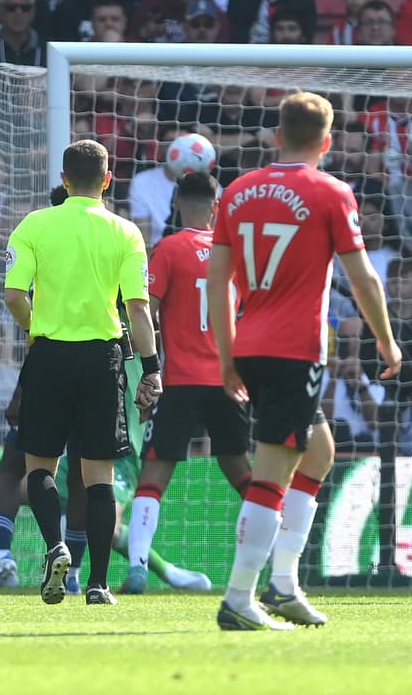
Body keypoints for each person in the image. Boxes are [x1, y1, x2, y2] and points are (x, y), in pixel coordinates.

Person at [208, 92, 401, 630]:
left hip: (250, 344)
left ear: (277, 136)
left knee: (318, 454)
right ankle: (238, 598)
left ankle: (284, 584)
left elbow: (217, 283)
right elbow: (362, 278)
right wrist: (386, 341)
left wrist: (226, 356)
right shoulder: (331, 192)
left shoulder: (238, 190)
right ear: (327, 141)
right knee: (273, 472)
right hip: (294, 351)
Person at [3, 139, 160, 606]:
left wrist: (34, 328)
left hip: (49, 355)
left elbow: (13, 295)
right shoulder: (126, 233)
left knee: (40, 467)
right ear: (108, 180)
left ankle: (55, 546)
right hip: (102, 360)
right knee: (99, 477)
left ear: (64, 179)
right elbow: (138, 309)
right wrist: (151, 369)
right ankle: (97, 584)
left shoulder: (34, 225)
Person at [121, 173, 253, 595]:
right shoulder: (233, 253)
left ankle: (138, 569)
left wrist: (142, 364)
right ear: (217, 207)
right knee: (243, 475)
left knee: (153, 476)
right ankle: (278, 561)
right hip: (227, 381)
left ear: (176, 202)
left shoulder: (168, 249)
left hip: (179, 382)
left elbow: (146, 312)